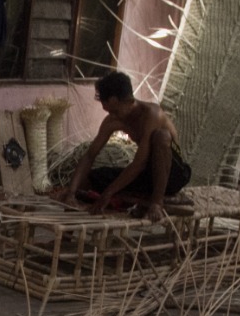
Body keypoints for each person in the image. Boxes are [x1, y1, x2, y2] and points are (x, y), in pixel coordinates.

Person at [59, 70, 191, 223]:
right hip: (147, 176)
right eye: (108, 111)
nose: (112, 116)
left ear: (129, 101)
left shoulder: (152, 115)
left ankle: (157, 202)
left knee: (161, 136)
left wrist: (108, 193)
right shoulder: (112, 120)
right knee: (89, 179)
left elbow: (139, 163)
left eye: (115, 111)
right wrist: (71, 192)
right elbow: (90, 155)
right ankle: (66, 237)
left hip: (172, 175)